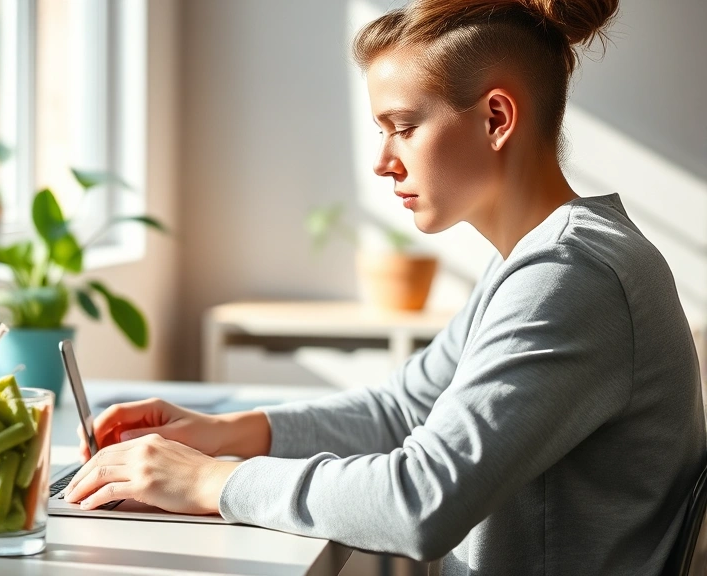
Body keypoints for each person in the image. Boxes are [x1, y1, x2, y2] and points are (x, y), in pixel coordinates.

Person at [63, 0, 707, 572]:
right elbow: (403, 410)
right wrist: (225, 431)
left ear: (496, 117)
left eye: (403, 126)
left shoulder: (570, 276)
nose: (382, 160)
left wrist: (211, 481)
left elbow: (421, 501)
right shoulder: (540, 260)